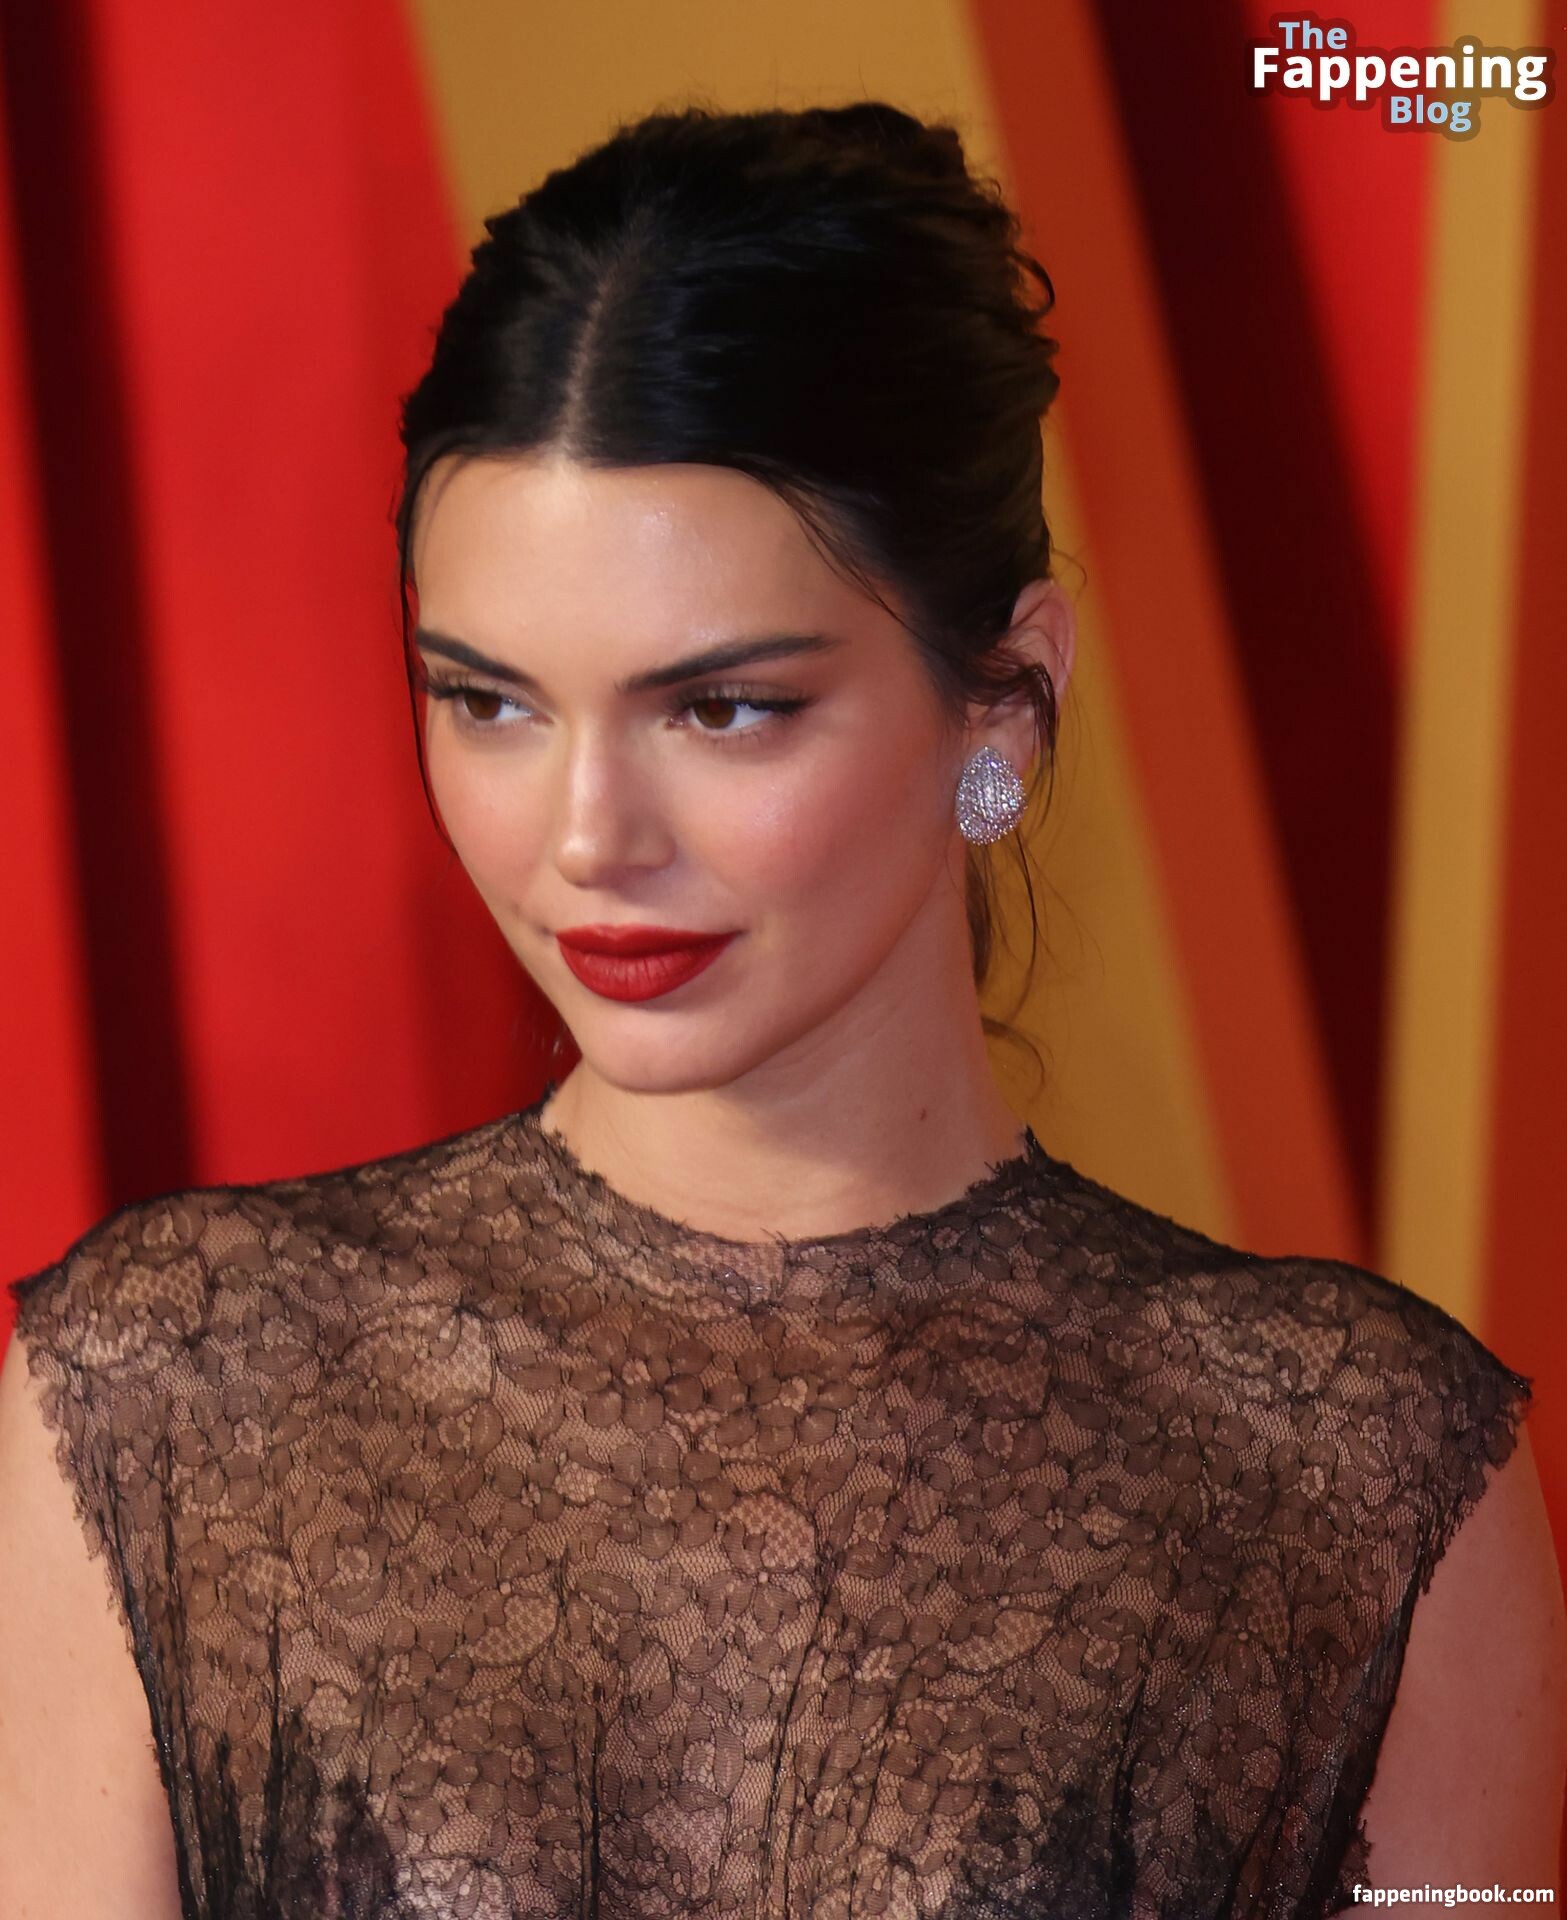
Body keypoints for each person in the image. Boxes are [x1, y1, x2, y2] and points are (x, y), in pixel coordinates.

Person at [0, 100, 1560, 1920]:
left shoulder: (1362, 1478)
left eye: (721, 708)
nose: (587, 838)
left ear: (1004, 697)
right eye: (491, 702)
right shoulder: (163, 1394)